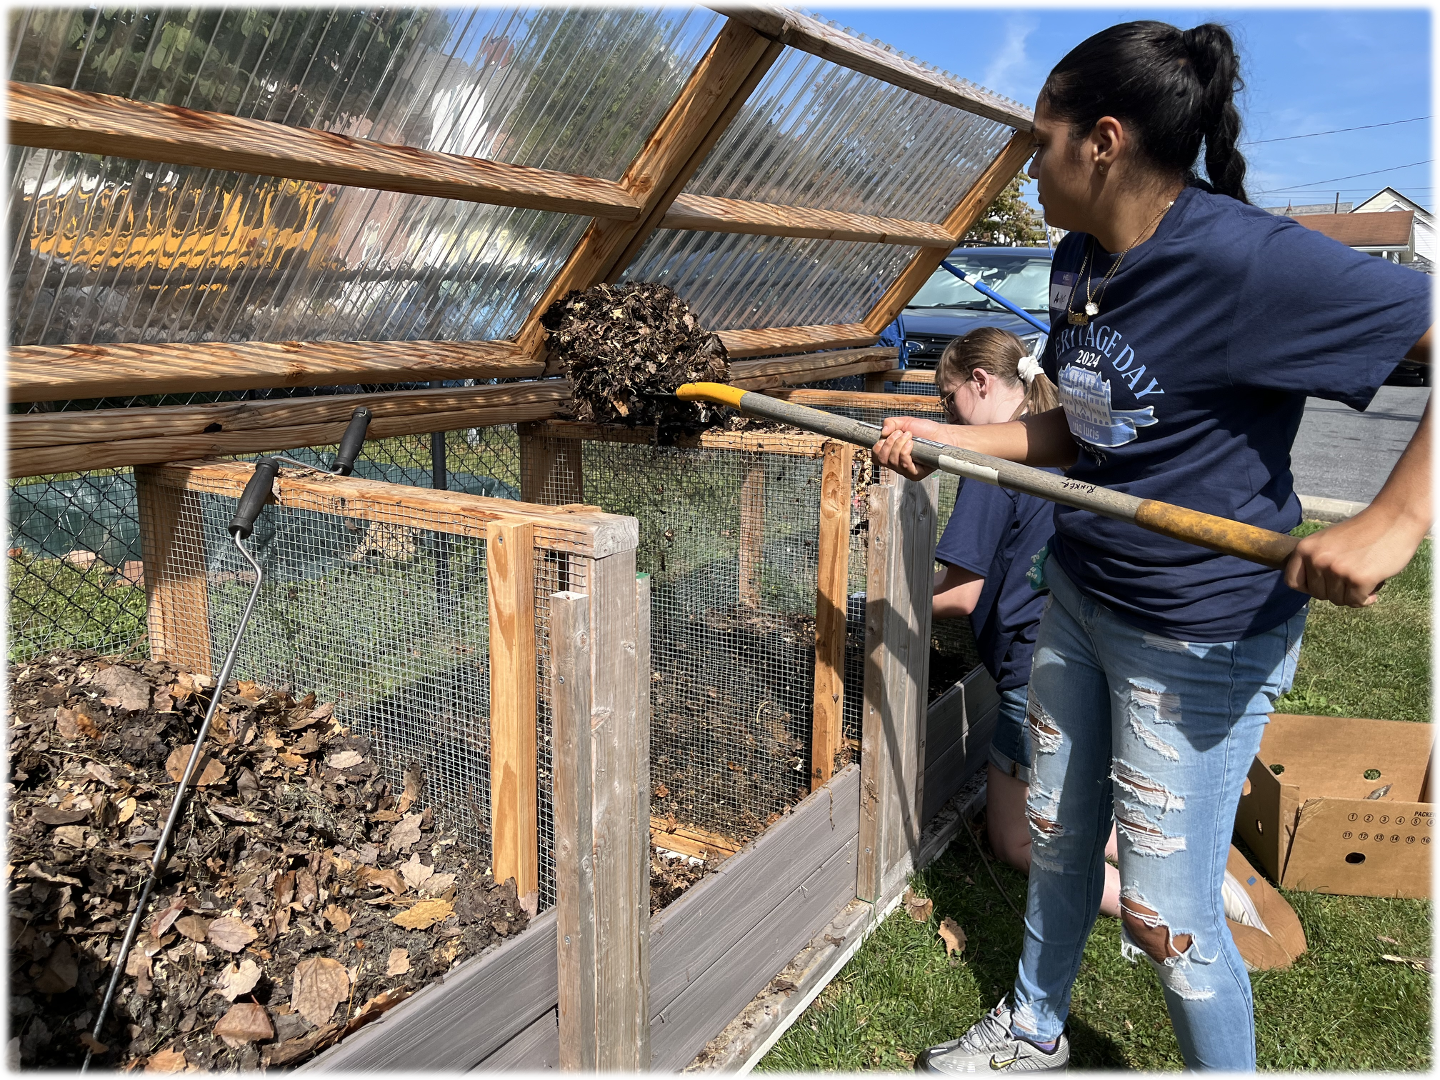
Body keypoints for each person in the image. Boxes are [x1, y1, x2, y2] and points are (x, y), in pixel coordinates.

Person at [873, 21, 1439, 1080]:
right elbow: (1078, 428)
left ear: (1105, 140)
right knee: (1052, 832)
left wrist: (1398, 518)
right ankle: (1036, 1026)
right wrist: (953, 440)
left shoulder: (1246, 263)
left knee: (1165, 922)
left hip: (1199, 639)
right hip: (1081, 597)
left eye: (1040, 143)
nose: (1027, 167)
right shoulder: (1084, 258)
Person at [930, 328, 1121, 918]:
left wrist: (879, 601)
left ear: (981, 383)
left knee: (1012, 839)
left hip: (1028, 671)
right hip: (1088, 647)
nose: (948, 412)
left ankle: (1157, 905)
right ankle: (1171, 869)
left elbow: (961, 596)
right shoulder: (1061, 435)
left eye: (950, 397)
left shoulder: (989, 461)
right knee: (1085, 804)